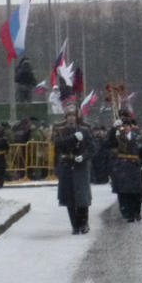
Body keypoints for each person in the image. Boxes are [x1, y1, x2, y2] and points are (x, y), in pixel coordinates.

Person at [53, 100, 95, 235]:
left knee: (82, 197)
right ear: (65, 118)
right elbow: (57, 145)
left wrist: (83, 157)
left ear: (77, 117)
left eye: (73, 115)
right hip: (66, 164)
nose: (71, 118)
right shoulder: (60, 131)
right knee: (69, 198)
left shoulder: (85, 130)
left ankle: (84, 223)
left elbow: (92, 148)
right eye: (68, 115)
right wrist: (72, 138)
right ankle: (75, 225)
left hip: (80, 166)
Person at [111, 117, 142, 222]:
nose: (125, 128)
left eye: (127, 126)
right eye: (123, 126)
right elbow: (108, 144)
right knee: (124, 193)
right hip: (122, 169)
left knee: (136, 192)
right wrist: (113, 129)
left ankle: (136, 211)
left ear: (130, 127)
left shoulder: (138, 138)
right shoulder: (117, 138)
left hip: (134, 168)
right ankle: (128, 213)